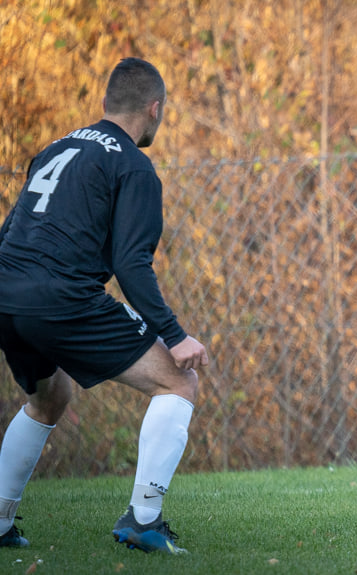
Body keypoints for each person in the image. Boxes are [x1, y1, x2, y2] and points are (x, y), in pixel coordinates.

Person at [0, 58, 208, 553]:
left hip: (6, 291)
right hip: (59, 296)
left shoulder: (55, 148)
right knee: (178, 381)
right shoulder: (133, 165)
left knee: (49, 398)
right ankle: (144, 521)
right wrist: (176, 337)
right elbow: (131, 264)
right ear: (154, 109)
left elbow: (11, 231)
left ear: (105, 104)